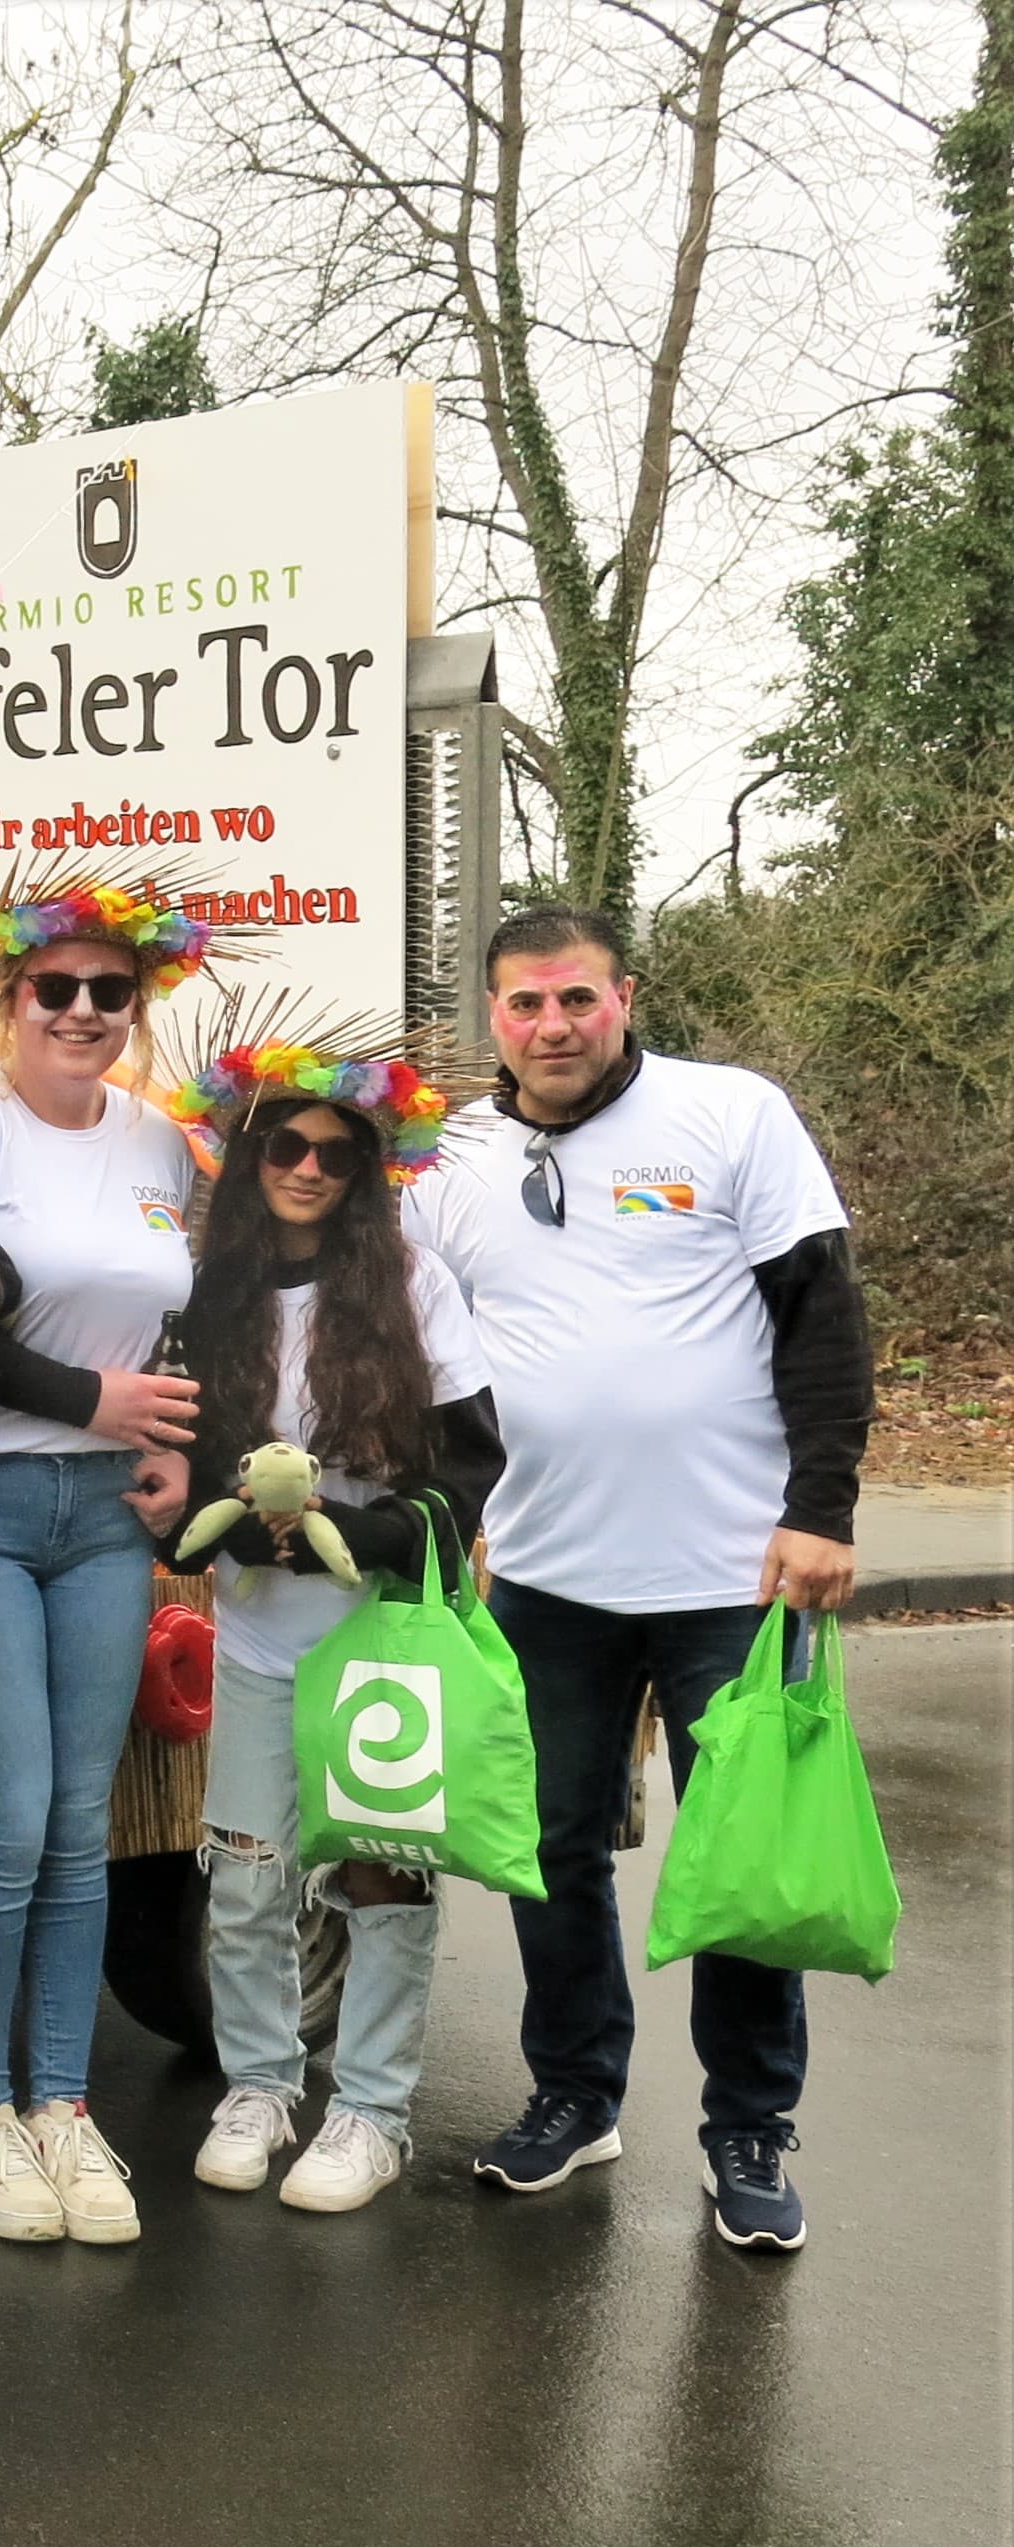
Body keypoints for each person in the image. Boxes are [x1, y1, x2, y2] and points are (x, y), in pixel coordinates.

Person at [408, 907, 869, 2251]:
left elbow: (819, 1309)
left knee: (738, 1860)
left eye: (572, 999)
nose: (548, 1025)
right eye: (520, 1004)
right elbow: (407, 1337)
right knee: (545, 1847)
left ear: (621, 997)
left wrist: (819, 1506)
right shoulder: (450, 1159)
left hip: (731, 1568)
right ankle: (571, 2089)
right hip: (542, 1571)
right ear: (487, 1016)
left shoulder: (727, 1114)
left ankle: (745, 2125)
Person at [0, 886, 215, 2247]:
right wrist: (92, 1402)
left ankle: (63, 2106)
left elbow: (170, 1319)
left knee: (81, 1822)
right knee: (7, 1816)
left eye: (106, 992)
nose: (80, 1012)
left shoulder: (156, 1140)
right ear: (3, 999)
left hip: (98, 1517)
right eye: (53, 989)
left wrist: (176, 1442)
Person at [151, 1023, 502, 2213]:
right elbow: (174, 1461)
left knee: (378, 1875)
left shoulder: (411, 1285)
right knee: (245, 1878)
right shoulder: (208, 1294)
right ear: (245, 1161)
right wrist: (230, 1526)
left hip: (381, 1636)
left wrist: (380, 1537)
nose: (305, 1168)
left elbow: (471, 1457)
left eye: (334, 1154)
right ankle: (257, 2084)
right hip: (255, 1631)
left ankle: (369, 2111)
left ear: (364, 1176)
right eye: (282, 1147)